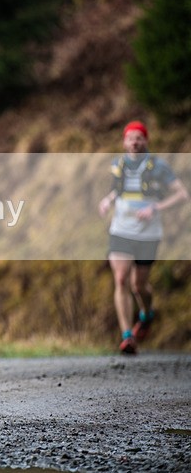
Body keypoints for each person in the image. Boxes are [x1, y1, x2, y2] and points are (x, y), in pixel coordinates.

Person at [98, 121, 188, 355]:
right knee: (120, 279)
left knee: (139, 285)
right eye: (131, 138)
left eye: (139, 138)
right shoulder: (118, 165)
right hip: (120, 230)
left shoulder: (159, 167)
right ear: (124, 142)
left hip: (148, 233)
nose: (135, 142)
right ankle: (127, 336)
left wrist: (155, 208)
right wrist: (107, 200)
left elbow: (182, 194)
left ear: (146, 141)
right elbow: (118, 189)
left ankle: (147, 314)